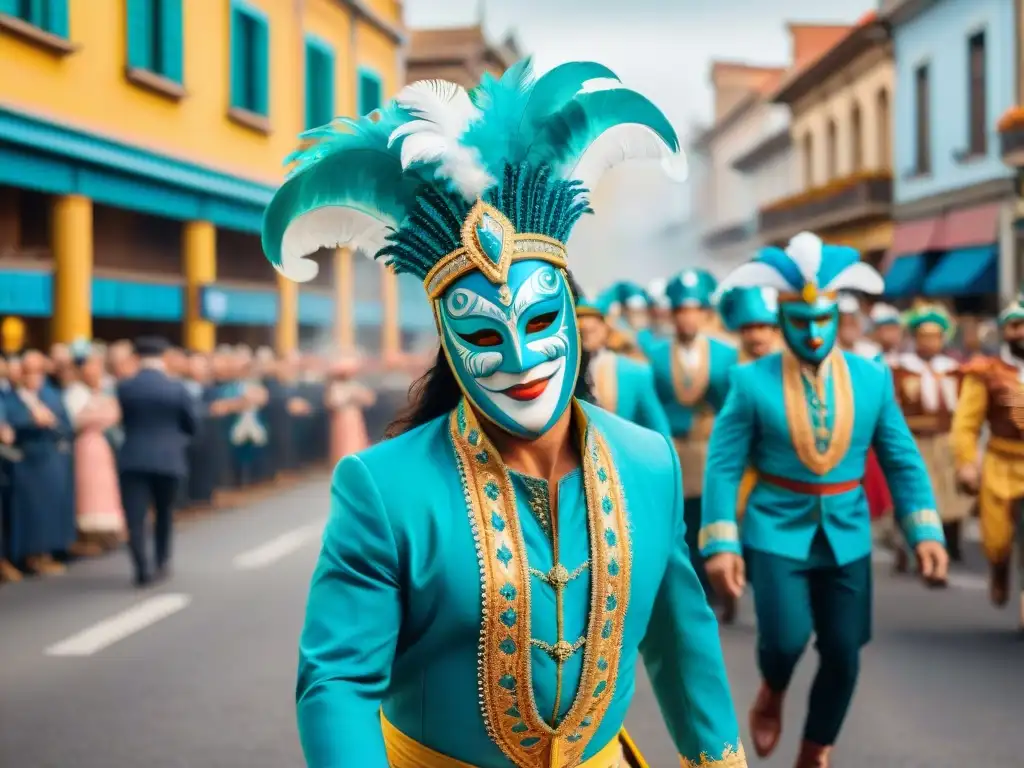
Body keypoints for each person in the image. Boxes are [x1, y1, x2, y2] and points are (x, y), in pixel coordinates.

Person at [267, 59, 746, 767]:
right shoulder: (383, 487)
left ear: (575, 320)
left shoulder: (647, 460)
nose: (521, 359)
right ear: (450, 345)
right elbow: (336, 681)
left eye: (542, 318)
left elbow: (679, 638)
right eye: (487, 334)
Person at [700, 232, 948, 768]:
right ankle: (772, 688)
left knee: (843, 652)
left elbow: (903, 460)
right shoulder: (748, 381)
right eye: (800, 320)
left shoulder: (873, 379)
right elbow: (723, 464)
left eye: (823, 319)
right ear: (783, 316)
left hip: (848, 529)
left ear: (837, 316)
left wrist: (925, 530)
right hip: (774, 527)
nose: (813, 332)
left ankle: (815, 751)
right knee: (785, 641)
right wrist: (721, 541)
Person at [646, 267, 738, 599]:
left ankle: (708, 582)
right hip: (670, 449)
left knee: (705, 515)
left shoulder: (725, 354)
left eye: (694, 310)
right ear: (672, 315)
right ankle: (680, 584)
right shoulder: (654, 356)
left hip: (709, 448)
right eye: (681, 311)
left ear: (704, 314)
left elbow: (733, 405)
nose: (687, 319)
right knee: (675, 521)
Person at [951, 289, 1024, 631]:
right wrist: (966, 461)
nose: (1021, 332)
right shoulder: (987, 371)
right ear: (1004, 331)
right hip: (1000, 463)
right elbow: (966, 423)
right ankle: (998, 568)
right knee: (996, 540)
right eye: (1014, 326)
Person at [713, 284, 781, 624]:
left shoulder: (788, 366)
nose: (757, 336)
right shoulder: (728, 369)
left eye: (763, 328)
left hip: (778, 467)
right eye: (750, 329)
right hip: (741, 466)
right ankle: (730, 591)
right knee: (734, 528)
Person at [890, 302, 970, 562]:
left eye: (934, 337)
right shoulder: (899, 369)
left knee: (951, 493)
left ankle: (951, 541)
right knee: (916, 491)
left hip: (946, 439)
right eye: (924, 336)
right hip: (914, 441)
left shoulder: (955, 369)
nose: (929, 342)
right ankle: (908, 544)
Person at [117, 337, 197, 587]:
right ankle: (162, 561)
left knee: (135, 516)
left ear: (138, 357)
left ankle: (141, 568)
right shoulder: (177, 388)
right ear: (163, 357)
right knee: (164, 513)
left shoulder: (125, 387)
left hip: (133, 458)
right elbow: (192, 424)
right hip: (168, 459)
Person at [4, 349, 75, 576]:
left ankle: (49, 551)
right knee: (31, 512)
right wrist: (31, 421)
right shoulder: (10, 399)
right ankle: (31, 555)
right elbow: (9, 429)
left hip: (52, 460)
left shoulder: (52, 396)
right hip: (27, 462)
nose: (33, 377)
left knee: (52, 508)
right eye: (28, 372)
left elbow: (67, 427)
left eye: (38, 372)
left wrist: (51, 421)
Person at [576, 293, 671, 438]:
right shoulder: (566, 372)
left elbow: (658, 426)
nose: (587, 336)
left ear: (606, 328)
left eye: (593, 329)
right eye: (581, 331)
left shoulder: (635, 372)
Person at [63, 341, 124, 552]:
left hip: (100, 444)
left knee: (104, 487)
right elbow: (76, 419)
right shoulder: (75, 392)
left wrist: (97, 414)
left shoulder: (100, 390)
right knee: (87, 489)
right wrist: (98, 414)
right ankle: (87, 535)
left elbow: (113, 414)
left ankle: (105, 533)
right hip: (84, 446)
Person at [325, 356, 375, 464]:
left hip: (354, 416)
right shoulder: (335, 386)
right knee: (343, 442)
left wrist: (359, 397)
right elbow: (332, 402)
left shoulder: (354, 385)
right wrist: (348, 398)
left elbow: (369, 399)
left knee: (356, 440)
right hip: (342, 417)